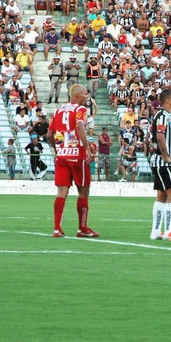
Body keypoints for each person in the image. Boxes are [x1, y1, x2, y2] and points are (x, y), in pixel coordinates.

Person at [47, 84, 99, 238]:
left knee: (61, 192)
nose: (87, 97)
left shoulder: (58, 111)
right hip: (77, 156)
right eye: (85, 94)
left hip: (62, 156)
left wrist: (57, 150)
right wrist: (88, 148)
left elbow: (49, 134)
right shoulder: (80, 110)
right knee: (83, 191)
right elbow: (79, 125)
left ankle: (57, 229)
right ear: (77, 96)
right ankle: (82, 228)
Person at [149, 88, 171, 241]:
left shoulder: (169, 116)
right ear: (168, 100)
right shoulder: (162, 116)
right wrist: (166, 157)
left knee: (162, 195)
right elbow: (160, 137)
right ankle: (169, 232)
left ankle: (156, 232)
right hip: (162, 162)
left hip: (164, 161)